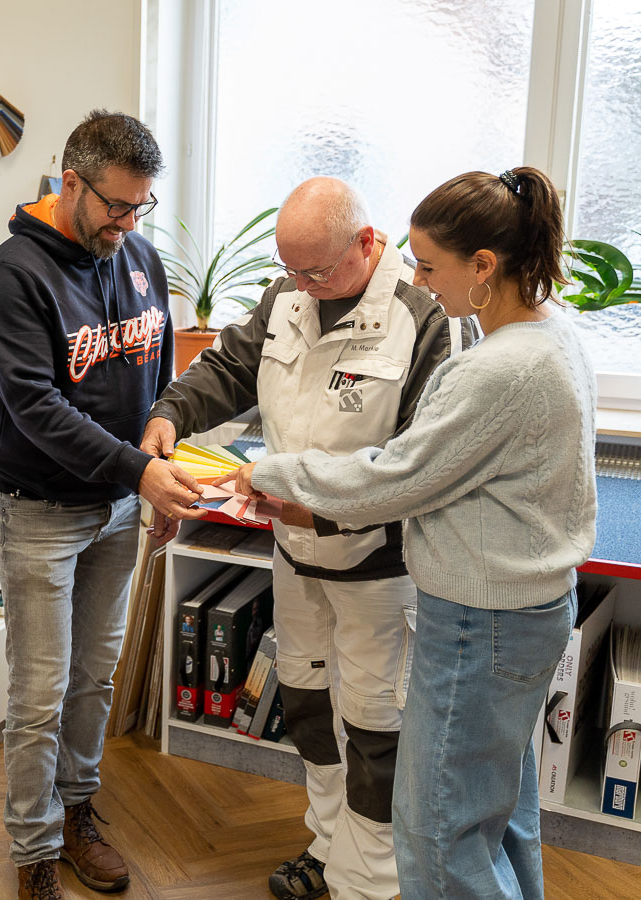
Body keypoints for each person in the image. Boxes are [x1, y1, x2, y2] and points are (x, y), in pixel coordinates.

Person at [226, 167, 597, 900]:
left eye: (429, 265)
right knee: (500, 817)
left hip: (480, 627)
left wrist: (276, 475)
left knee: (437, 836)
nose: (420, 281)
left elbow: (395, 477)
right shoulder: (555, 338)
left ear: (483, 268)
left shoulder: (496, 368)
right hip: (526, 615)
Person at [142, 177, 474, 900]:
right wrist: (170, 413)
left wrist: (323, 512)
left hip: (380, 570)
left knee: (375, 730)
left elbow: (422, 466)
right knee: (309, 707)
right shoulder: (288, 295)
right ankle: (329, 853)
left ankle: (372, 884)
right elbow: (228, 369)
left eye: (316, 271)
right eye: (289, 269)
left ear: (366, 243)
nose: (301, 285)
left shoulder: (427, 316)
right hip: (295, 558)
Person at [0, 109, 204, 900]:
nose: (128, 222)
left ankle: (78, 815)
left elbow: (155, 365)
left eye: (141, 206)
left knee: (94, 679)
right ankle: (33, 851)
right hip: (38, 510)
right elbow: (35, 407)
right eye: (115, 205)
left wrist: (159, 444)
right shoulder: (13, 275)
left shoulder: (136, 252)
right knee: (38, 692)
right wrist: (140, 472)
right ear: (70, 181)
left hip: (116, 508)